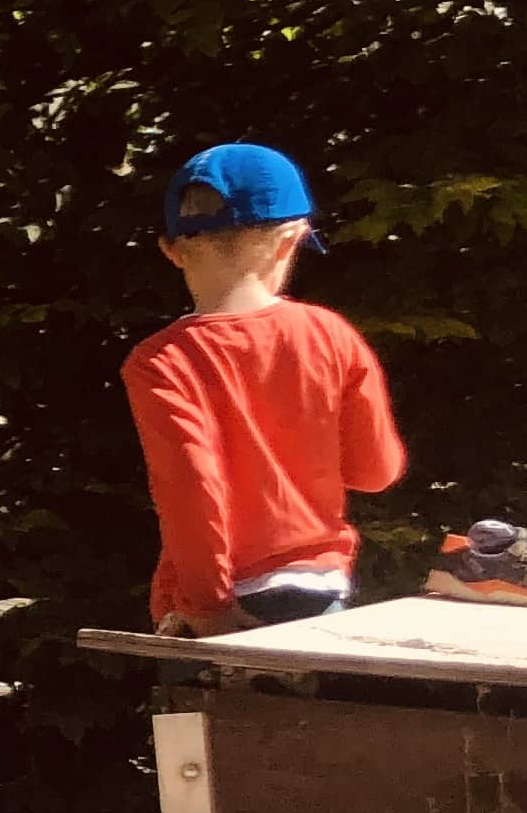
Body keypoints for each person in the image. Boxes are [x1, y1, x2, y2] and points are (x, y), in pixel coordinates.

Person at [125, 143, 411, 636]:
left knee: (192, 716)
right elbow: (375, 472)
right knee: (308, 717)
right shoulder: (331, 333)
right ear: (290, 240)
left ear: (171, 250)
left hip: (215, 600)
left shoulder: (160, 361)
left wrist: (210, 609)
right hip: (319, 592)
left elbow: (191, 486)